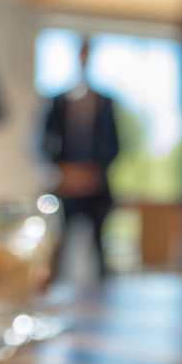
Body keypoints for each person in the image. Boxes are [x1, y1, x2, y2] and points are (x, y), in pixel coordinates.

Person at [42, 39, 120, 278]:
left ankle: (105, 299)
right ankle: (52, 296)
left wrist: (93, 173)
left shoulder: (106, 102)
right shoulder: (58, 101)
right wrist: (65, 171)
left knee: (99, 250)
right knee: (59, 249)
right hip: (65, 187)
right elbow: (43, 143)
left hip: (96, 188)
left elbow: (116, 145)